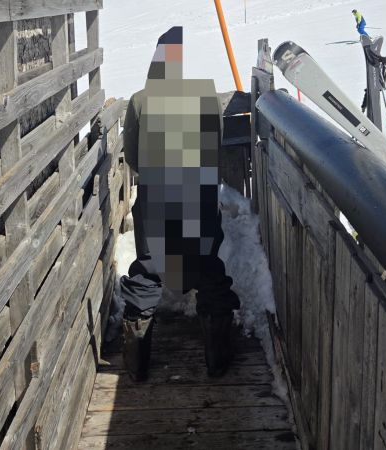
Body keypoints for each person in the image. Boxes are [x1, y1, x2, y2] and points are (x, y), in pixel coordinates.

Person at [120, 26, 240, 381]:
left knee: (149, 268)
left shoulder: (140, 99)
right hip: (198, 193)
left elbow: (132, 155)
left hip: (157, 193)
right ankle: (217, 357)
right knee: (206, 267)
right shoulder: (205, 95)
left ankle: (137, 357)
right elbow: (216, 146)